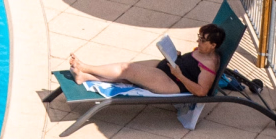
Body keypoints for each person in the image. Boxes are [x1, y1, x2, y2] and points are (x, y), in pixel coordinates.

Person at [70, 24, 227, 104]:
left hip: (172, 81)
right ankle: (83, 77)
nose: (198, 41)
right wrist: (175, 54)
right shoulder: (203, 50)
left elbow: (201, 92)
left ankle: (84, 67)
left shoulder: (209, 66)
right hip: (170, 68)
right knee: (128, 73)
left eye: (203, 40)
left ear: (213, 45)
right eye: (199, 37)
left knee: (127, 69)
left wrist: (179, 75)